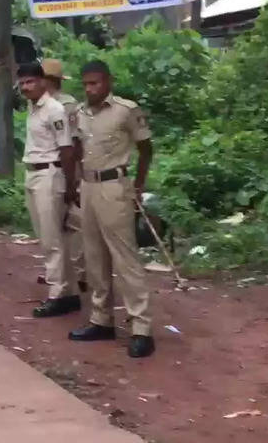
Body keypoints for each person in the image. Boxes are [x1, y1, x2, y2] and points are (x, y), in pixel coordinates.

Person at [70, 60, 156, 359]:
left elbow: (146, 149)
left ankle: (141, 328)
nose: (89, 89)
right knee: (94, 257)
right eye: (85, 84)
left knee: (125, 258)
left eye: (94, 83)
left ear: (108, 82)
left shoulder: (125, 110)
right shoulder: (79, 113)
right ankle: (101, 319)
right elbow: (79, 149)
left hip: (115, 187)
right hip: (89, 187)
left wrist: (138, 186)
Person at [17, 62, 81, 319]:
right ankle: (71, 292)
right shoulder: (33, 108)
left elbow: (67, 149)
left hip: (50, 174)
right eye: (21, 83)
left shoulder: (54, 110)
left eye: (30, 82)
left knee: (52, 239)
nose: (25, 87)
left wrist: (69, 184)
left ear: (43, 82)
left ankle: (57, 293)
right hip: (33, 172)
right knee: (49, 235)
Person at [43, 58, 86, 291]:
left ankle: (79, 271)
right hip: (53, 167)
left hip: (68, 166)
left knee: (73, 221)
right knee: (54, 222)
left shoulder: (67, 105)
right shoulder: (41, 104)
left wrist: (76, 174)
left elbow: (75, 141)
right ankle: (60, 270)